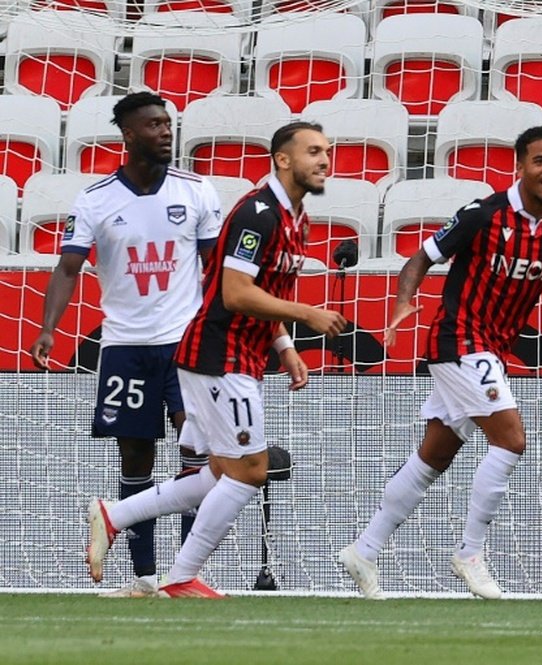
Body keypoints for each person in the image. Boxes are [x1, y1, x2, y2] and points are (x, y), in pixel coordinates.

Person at [338, 125, 542, 600]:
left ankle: (364, 550)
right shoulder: (482, 215)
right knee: (511, 440)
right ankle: (470, 553)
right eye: (540, 161)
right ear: (520, 165)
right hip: (458, 340)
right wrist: (404, 302)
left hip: (491, 349)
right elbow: (419, 260)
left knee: (435, 456)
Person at [85, 121, 347, 598]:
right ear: (283, 159)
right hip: (218, 356)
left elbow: (268, 294)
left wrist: (285, 348)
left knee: (220, 474)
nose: (325, 160)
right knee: (250, 471)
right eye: (313, 151)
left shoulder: (297, 218)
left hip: (241, 356)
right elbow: (236, 292)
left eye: (328, 152)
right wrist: (307, 314)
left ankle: (114, 515)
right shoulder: (258, 213)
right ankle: (182, 576)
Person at [29, 92, 223, 597]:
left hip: (186, 345)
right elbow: (68, 267)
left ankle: (185, 574)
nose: (165, 131)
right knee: (135, 459)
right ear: (129, 134)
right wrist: (50, 327)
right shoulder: (95, 199)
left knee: (197, 455)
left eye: (168, 123)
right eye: (154, 124)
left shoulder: (197, 191)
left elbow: (218, 272)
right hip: (124, 347)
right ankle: (142, 578)